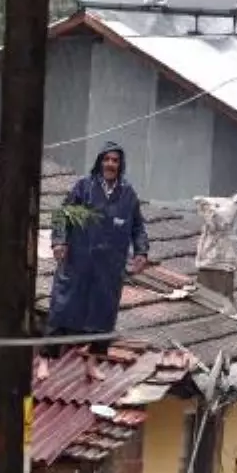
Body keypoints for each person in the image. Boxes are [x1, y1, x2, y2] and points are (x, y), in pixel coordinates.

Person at [36, 141, 149, 383]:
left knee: (103, 316)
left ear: (120, 165)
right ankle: (44, 360)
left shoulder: (128, 194)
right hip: (77, 262)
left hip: (109, 268)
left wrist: (141, 252)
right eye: (106, 159)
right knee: (61, 310)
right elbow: (61, 215)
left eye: (115, 160)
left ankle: (92, 363)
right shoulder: (83, 188)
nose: (110, 164)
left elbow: (138, 227)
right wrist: (59, 242)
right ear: (100, 162)